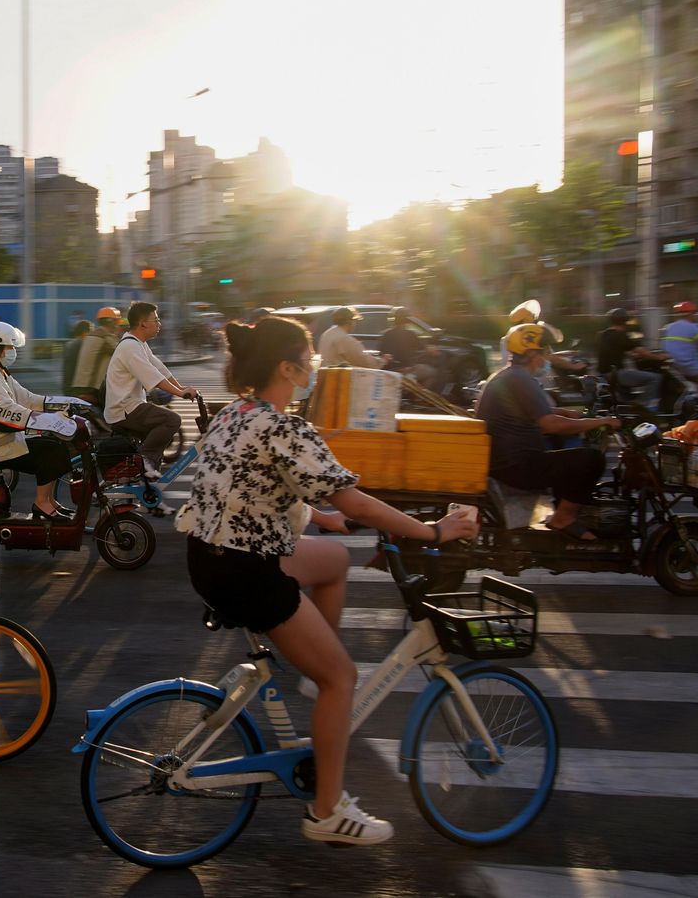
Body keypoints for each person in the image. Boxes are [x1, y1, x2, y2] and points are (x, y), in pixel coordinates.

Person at [177, 315, 479, 847]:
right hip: (246, 570)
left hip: (212, 556)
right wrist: (432, 531)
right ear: (288, 368)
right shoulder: (282, 426)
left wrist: (321, 519)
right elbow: (354, 497)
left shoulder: (236, 413)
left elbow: (251, 489)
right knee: (345, 677)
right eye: (310, 358)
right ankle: (326, 812)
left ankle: (316, 681)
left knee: (334, 559)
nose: (315, 366)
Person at [477, 323, 621, 540]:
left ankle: (562, 511)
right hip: (517, 467)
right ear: (533, 354)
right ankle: (563, 517)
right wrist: (600, 421)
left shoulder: (509, 375)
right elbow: (550, 424)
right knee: (591, 459)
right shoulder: (520, 379)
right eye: (545, 352)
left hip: (508, 462)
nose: (547, 358)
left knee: (563, 450)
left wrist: (569, 414)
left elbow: (532, 410)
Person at [0, 321, 78, 519]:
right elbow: (9, 412)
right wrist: (51, 420)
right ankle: (41, 504)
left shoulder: (1, 374)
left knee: (54, 444)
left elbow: (28, 399)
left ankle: (49, 502)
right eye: (11, 347)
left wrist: (65, 403)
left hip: (1, 439)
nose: (14, 351)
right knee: (51, 451)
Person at [103, 302, 198, 479]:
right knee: (171, 420)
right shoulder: (129, 347)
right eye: (156, 319)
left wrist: (181, 388)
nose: (159, 324)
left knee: (159, 444)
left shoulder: (138, 344)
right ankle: (145, 461)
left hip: (130, 406)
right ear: (143, 323)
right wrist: (180, 393)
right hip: (124, 409)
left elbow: (160, 369)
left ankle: (151, 488)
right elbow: (153, 377)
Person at [597, 308, 661, 410]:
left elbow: (617, 350)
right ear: (625, 321)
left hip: (605, 373)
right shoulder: (620, 334)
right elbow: (641, 351)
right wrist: (659, 357)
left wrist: (633, 355)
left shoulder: (605, 334)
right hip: (616, 374)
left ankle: (630, 406)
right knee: (655, 378)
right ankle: (643, 405)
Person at [660, 300, 698, 402]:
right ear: (691, 313)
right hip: (690, 367)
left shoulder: (668, 327)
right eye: (695, 313)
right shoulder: (693, 328)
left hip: (675, 367)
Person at [72, 306, 123, 404]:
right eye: (117, 322)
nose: (119, 326)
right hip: (92, 389)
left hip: (81, 386)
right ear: (111, 322)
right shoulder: (105, 337)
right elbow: (124, 353)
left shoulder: (92, 335)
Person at [378, 308, 440, 388]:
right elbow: (422, 348)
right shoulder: (410, 334)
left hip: (389, 370)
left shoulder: (385, 334)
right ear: (407, 320)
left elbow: (381, 352)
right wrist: (431, 350)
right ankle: (420, 398)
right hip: (406, 369)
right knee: (433, 372)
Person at [317, 307, 383, 368]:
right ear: (349, 321)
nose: (355, 323)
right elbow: (364, 361)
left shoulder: (328, 333)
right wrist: (382, 361)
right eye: (354, 321)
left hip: (325, 373)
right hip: (338, 377)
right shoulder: (344, 338)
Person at [62, 319, 92, 393]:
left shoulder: (69, 344)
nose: (92, 336)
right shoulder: (82, 344)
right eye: (91, 332)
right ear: (85, 332)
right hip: (77, 389)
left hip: (67, 386)